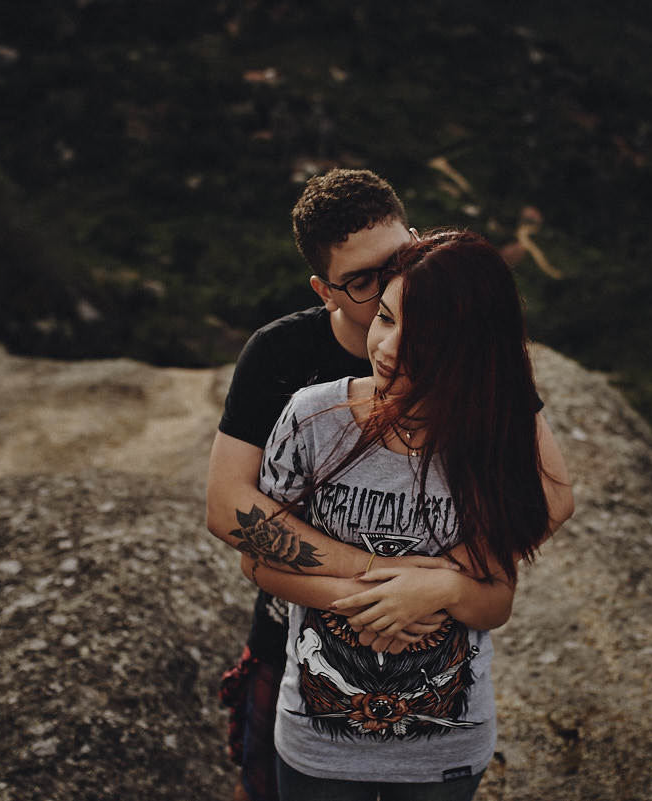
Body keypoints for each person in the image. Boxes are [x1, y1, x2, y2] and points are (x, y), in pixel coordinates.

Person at [243, 230, 574, 800]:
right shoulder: (310, 418)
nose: (390, 348)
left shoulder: (492, 440)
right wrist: (377, 596)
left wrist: (437, 589)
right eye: (388, 319)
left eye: (426, 337)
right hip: (317, 743)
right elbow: (257, 566)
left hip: (444, 748)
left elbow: (495, 603)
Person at [209, 169, 462, 801]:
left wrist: (450, 581)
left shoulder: (462, 340)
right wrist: (380, 580)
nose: (389, 285)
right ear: (325, 290)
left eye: (401, 259)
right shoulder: (279, 356)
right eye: (362, 280)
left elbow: (549, 494)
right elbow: (228, 506)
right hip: (292, 638)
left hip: (433, 646)